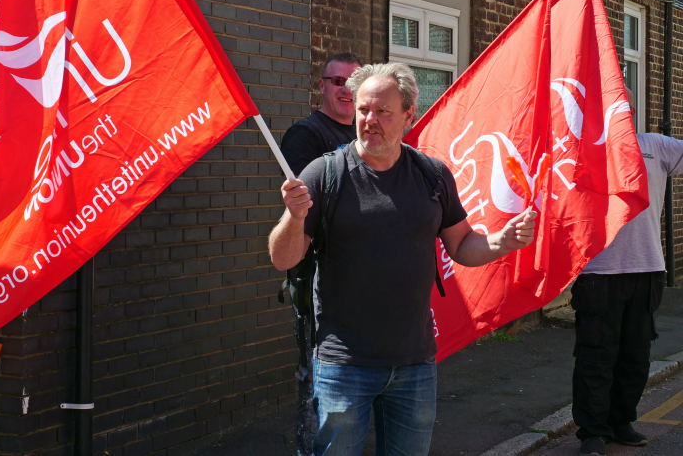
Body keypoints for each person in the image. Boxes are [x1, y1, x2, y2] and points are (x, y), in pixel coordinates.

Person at [269, 62, 537, 456]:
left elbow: (461, 244)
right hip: (344, 365)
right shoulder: (324, 174)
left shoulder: (431, 174)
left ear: (409, 115)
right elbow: (282, 258)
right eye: (363, 110)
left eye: (382, 111)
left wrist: (501, 241)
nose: (369, 120)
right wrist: (294, 217)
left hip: (415, 363)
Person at [571, 88, 683, 456]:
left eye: (626, 106)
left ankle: (621, 422)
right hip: (599, 271)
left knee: (636, 356)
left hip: (647, 267)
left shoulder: (657, 146)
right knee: (596, 356)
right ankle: (592, 432)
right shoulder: (582, 149)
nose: (622, 112)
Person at [280, 52, 362, 456]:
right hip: (318, 281)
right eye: (336, 82)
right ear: (321, 86)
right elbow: (310, 211)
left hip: (365, 282)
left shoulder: (369, 132)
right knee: (320, 383)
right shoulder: (307, 136)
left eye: (353, 81)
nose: (346, 90)